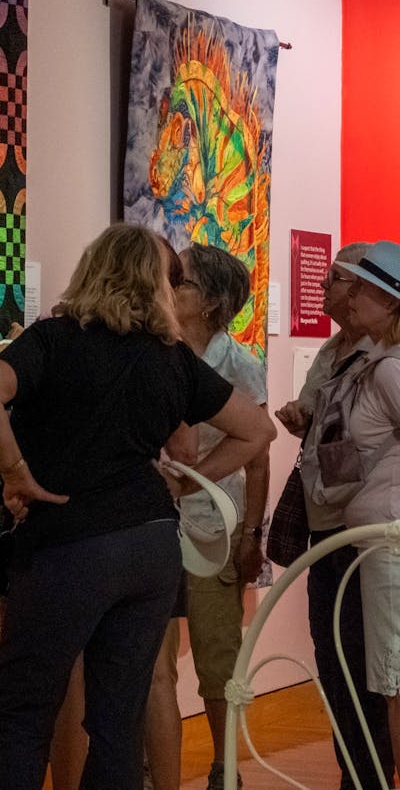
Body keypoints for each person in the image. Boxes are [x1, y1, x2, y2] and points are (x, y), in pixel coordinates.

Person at [0, 222, 276, 790]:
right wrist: (184, 483)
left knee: (24, 712)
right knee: (118, 719)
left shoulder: (52, 340)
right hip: (150, 546)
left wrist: (16, 473)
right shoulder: (170, 357)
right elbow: (256, 431)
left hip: (69, 544)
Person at [276, 242, 394, 790]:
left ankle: (369, 776)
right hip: (333, 528)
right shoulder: (337, 353)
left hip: (367, 535)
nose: (327, 292)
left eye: (338, 281)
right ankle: (359, 773)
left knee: (371, 671)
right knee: (339, 663)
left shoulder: (384, 363)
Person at [168, 242, 270, 790]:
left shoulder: (240, 364)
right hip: (156, 525)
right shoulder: (156, 350)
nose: (169, 288)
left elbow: (258, 458)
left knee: (215, 657)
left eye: (179, 283)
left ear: (209, 302)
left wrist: (253, 534)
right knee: (151, 657)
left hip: (215, 525)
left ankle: (221, 765)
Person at [334, 240, 400, 781]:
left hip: (390, 544)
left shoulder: (388, 370)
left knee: (394, 681)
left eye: (361, 288)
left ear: (390, 301)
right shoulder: (379, 362)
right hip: (378, 539)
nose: (348, 296)